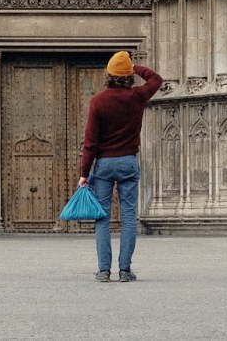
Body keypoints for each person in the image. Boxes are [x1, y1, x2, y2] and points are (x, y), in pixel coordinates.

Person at [78, 51, 162, 282]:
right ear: (127, 76)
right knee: (128, 216)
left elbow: (90, 142)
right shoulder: (137, 97)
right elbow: (156, 80)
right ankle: (125, 270)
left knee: (102, 217)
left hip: (104, 165)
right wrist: (135, 67)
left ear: (109, 75)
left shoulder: (98, 101)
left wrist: (85, 173)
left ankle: (104, 270)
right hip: (128, 162)